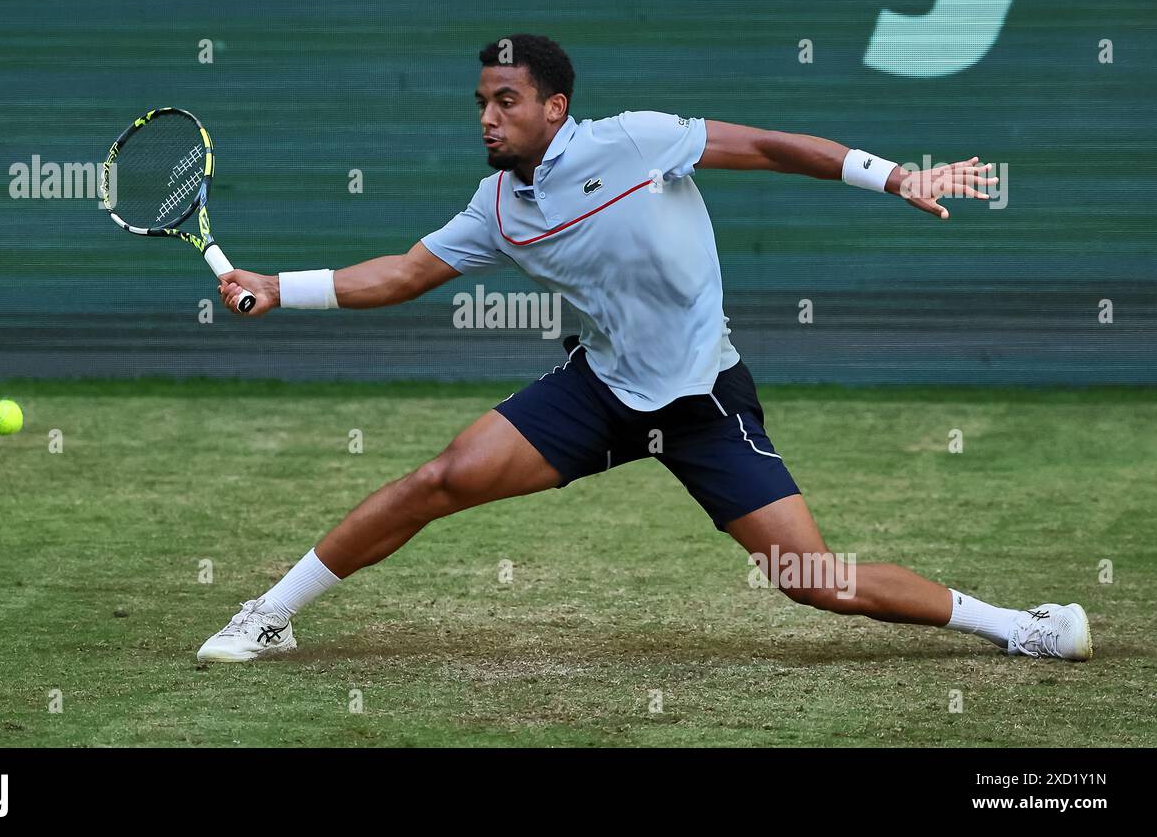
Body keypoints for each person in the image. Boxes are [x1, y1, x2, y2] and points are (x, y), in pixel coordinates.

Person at [197, 33, 1091, 664]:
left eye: (506, 101)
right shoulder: (497, 208)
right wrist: (278, 286)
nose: (487, 118)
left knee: (810, 577)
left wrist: (895, 175)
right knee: (437, 480)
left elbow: (773, 147)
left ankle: (1022, 625)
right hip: (598, 393)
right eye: (480, 103)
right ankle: (270, 615)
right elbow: (400, 275)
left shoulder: (636, 140)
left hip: (702, 401)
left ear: (556, 106)